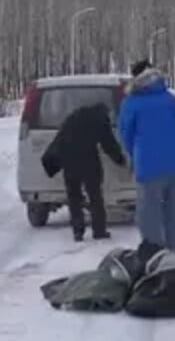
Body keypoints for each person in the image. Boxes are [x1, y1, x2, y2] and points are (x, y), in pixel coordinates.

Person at [117, 59, 175, 254]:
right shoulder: (169, 98)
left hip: (149, 169)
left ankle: (156, 260)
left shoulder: (131, 102)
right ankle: (172, 257)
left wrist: (133, 157)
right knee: (173, 218)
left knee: (149, 219)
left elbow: (125, 134)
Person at [44, 102, 127, 242]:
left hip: (69, 160)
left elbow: (60, 138)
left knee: (74, 196)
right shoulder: (100, 120)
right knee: (95, 195)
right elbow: (109, 144)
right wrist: (120, 160)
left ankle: (78, 231)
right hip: (89, 160)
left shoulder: (74, 116)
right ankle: (99, 230)